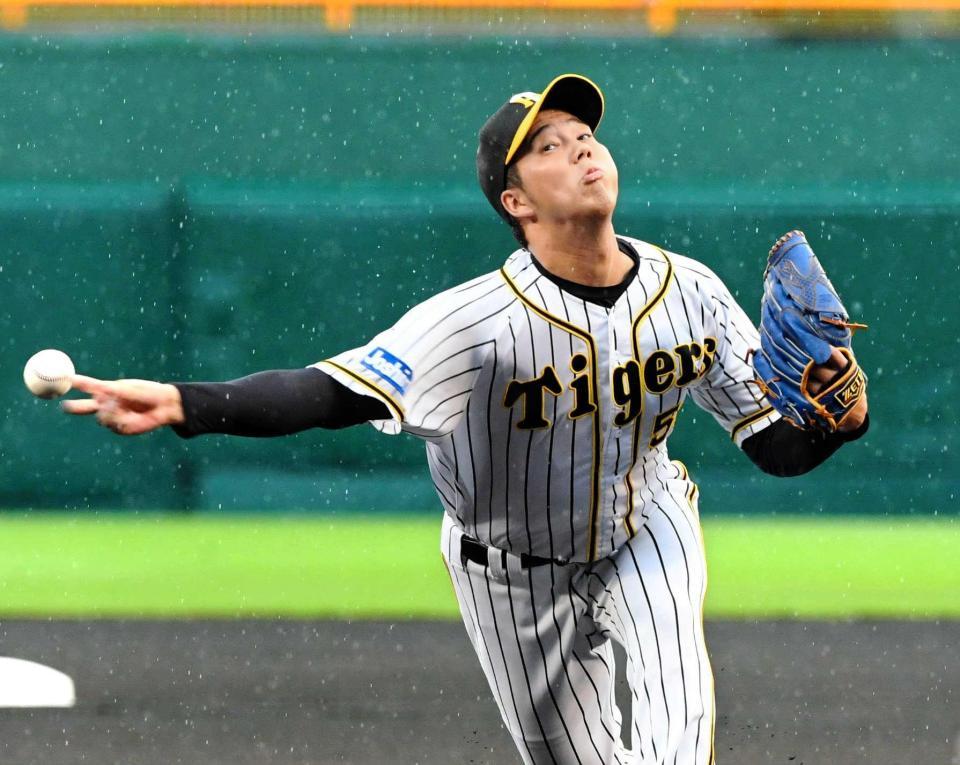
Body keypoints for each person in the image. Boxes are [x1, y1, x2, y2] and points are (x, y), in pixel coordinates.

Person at [63, 74, 868, 765]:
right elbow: (330, 392)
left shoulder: (688, 290)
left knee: (675, 731)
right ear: (515, 201)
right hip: (509, 570)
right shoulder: (473, 324)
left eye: (585, 135)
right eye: (549, 145)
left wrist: (841, 418)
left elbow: (774, 447)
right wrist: (187, 402)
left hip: (644, 528)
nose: (581, 149)